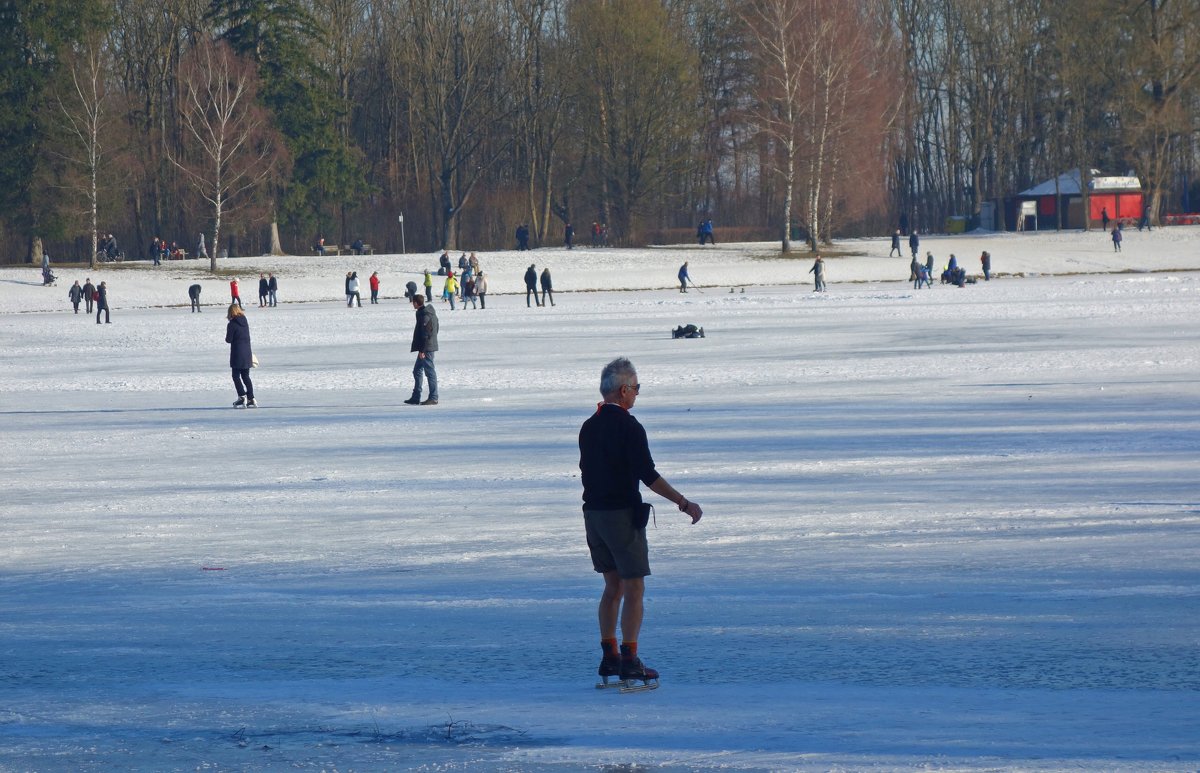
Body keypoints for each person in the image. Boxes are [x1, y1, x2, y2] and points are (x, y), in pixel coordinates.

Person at [578, 357, 702, 688]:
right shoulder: (629, 427)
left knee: (612, 586)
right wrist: (683, 503)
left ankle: (609, 656)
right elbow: (648, 476)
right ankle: (630, 660)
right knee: (633, 586)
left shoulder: (589, 426)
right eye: (635, 388)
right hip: (620, 516)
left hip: (593, 515)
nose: (637, 394)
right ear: (622, 390)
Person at [404, 294, 439, 406]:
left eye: (412, 302)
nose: (412, 304)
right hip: (425, 347)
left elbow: (426, 334)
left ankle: (433, 397)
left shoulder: (425, 315)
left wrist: (423, 350)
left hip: (427, 348)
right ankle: (416, 396)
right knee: (417, 371)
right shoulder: (424, 313)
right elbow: (436, 328)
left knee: (430, 372)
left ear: (415, 303)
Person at [225, 303, 256, 408]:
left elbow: (228, 339)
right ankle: (251, 398)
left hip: (237, 354)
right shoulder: (245, 321)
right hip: (247, 353)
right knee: (246, 376)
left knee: (235, 376)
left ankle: (242, 396)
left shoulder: (232, 324)